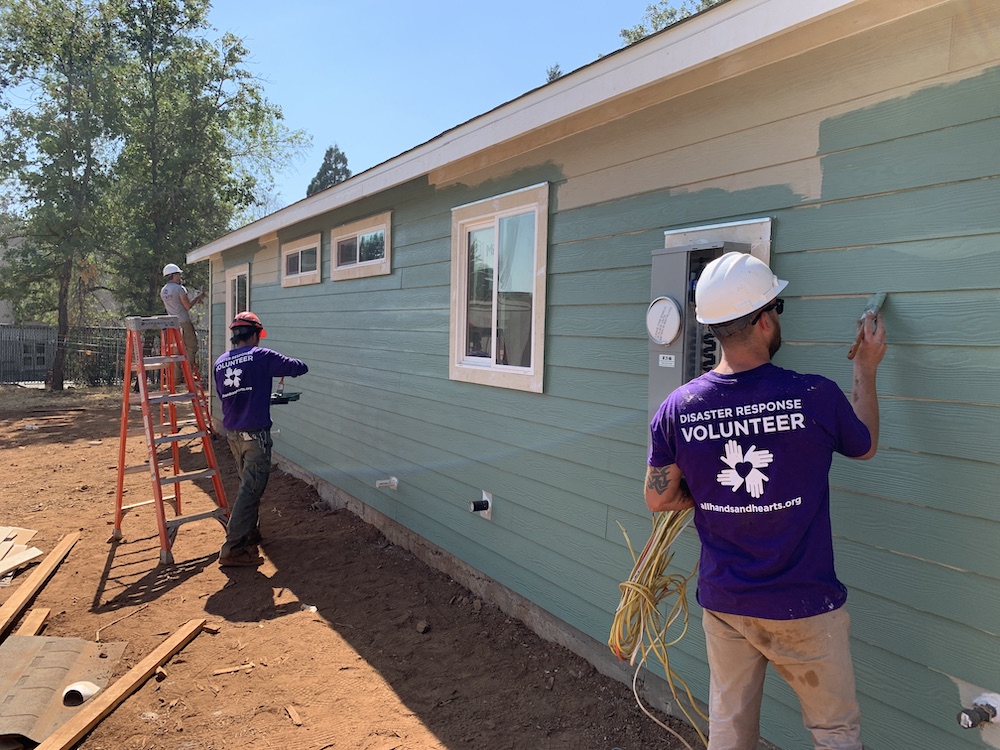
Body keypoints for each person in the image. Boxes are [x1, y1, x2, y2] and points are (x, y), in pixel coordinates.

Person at [645, 252, 886, 750]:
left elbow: (658, 497)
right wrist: (866, 366)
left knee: (730, 732)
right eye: (776, 307)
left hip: (727, 602)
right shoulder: (814, 396)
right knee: (835, 732)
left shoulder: (678, 407)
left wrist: (709, 494)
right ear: (762, 320)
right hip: (805, 604)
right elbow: (863, 444)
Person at [214, 311, 308, 567]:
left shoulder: (220, 362)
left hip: (233, 434)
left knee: (248, 485)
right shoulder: (262, 356)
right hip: (255, 435)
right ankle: (232, 547)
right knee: (251, 489)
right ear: (254, 335)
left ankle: (250, 534)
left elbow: (230, 396)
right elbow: (298, 367)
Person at [160, 263, 205, 378]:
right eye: (178, 274)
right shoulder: (179, 289)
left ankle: (176, 377)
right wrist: (199, 297)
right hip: (183, 321)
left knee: (176, 350)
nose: (180, 277)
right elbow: (187, 306)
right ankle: (188, 374)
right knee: (191, 346)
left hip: (172, 323)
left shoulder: (163, 290)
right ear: (173, 275)